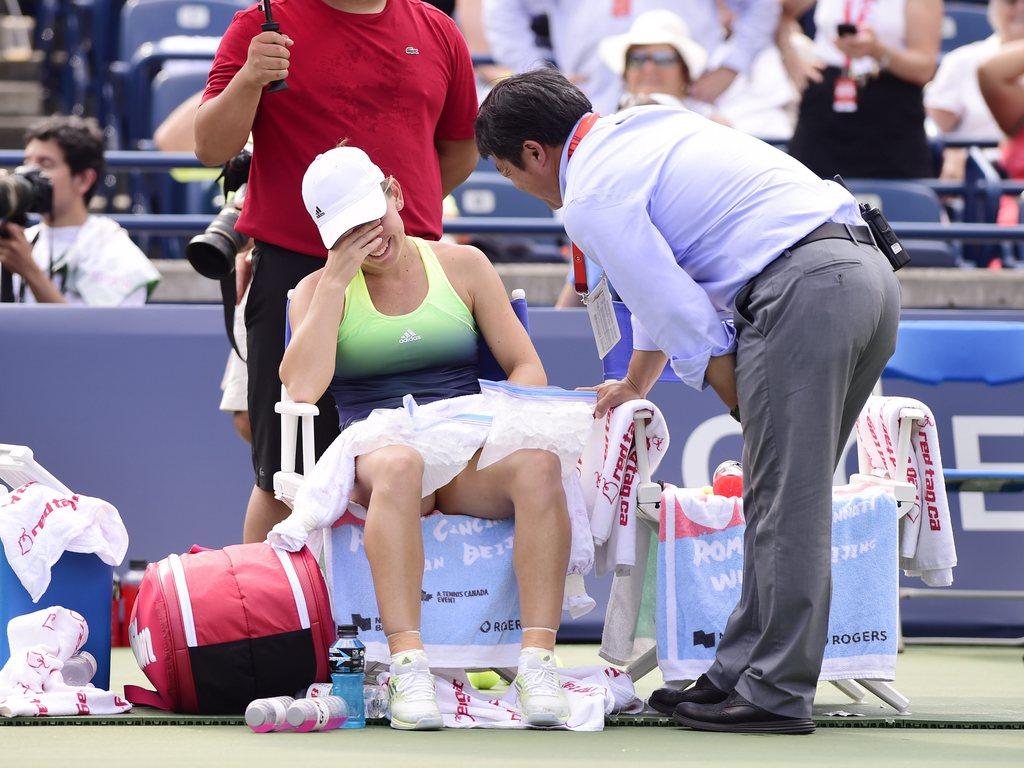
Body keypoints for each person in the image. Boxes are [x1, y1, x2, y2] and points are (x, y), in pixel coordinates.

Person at [475, 69, 901, 734]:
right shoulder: (644, 126)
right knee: (775, 495)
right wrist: (639, 382)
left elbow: (675, 306)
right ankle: (738, 673)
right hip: (865, 275)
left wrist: (731, 391)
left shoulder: (588, 193)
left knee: (786, 499)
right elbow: (661, 279)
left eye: (508, 173)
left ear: (534, 152)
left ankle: (776, 691)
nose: (521, 190)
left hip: (804, 291)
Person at [280, 146, 572, 729]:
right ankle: (409, 665)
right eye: (348, 233)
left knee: (539, 464)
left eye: (373, 216)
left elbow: (525, 367)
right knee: (398, 465)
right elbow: (302, 390)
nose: (370, 237)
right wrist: (336, 281)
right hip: (381, 451)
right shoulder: (316, 289)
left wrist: (496, 427)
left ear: (396, 193)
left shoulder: (464, 265)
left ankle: (538, 662)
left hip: (463, 446)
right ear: (327, 238)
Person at [194, 0, 479, 545]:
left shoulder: (438, 31)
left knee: (429, 467)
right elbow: (210, 145)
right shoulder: (259, 25)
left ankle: (411, 619)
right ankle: (270, 624)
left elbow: (461, 148)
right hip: (295, 268)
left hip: (411, 268)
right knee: (283, 472)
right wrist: (251, 77)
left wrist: (385, 227)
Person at [483, 0, 780, 114]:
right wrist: (540, 76)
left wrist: (731, 66)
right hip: (587, 101)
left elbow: (764, 5)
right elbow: (502, 9)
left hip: (687, 99)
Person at [0, 116, 160, 305]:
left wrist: (30, 271)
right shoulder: (20, 240)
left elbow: (95, 333)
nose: (28, 175)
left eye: (45, 164)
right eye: (27, 163)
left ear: (84, 179)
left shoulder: (113, 252)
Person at [785, 0, 942, 179]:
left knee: (900, 200)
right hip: (825, 105)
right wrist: (790, 57)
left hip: (891, 110)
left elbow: (924, 68)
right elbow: (777, 10)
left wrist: (877, 51)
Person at [926, 0, 1024, 181]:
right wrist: (954, 151)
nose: (1021, 8)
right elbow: (934, 130)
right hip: (975, 180)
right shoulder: (962, 61)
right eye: (1010, 2)